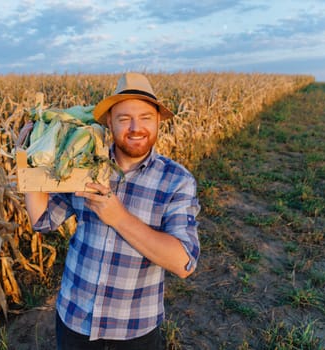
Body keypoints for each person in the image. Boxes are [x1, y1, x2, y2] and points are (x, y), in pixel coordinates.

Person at [24, 72, 200, 349]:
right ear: (109, 122)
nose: (135, 127)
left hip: (133, 329)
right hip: (74, 318)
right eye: (123, 118)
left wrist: (118, 218)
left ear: (157, 122)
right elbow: (42, 220)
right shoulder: (82, 166)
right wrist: (30, 156)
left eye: (145, 117)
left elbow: (183, 263)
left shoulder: (176, 181)